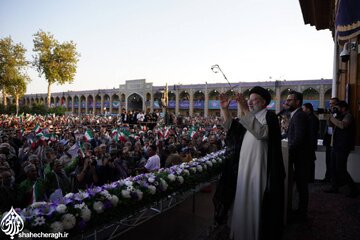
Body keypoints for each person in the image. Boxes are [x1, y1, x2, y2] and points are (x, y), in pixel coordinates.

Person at [214, 86, 285, 240]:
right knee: (242, 197)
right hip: (244, 166)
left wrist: (244, 108)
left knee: (254, 198)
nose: (251, 103)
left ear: (264, 102)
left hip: (258, 167)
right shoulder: (248, 116)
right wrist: (225, 109)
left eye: (255, 100)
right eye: (249, 100)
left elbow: (261, 133)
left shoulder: (269, 116)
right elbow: (231, 129)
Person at [284, 90, 311, 221]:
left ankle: (302, 214)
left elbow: (299, 138)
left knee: (302, 186)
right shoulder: (295, 114)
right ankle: (301, 211)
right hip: (299, 156)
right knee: (300, 185)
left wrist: (289, 150)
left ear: (297, 102)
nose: (286, 102)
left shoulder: (299, 115)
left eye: (289, 100)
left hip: (301, 157)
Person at [324, 101, 357, 197]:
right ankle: (334, 187)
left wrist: (332, 117)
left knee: (341, 169)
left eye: (337, 107)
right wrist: (329, 118)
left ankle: (353, 188)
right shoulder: (338, 116)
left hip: (343, 146)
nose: (335, 109)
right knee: (333, 167)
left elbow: (342, 125)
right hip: (335, 145)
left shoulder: (348, 116)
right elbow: (331, 126)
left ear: (343, 108)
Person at [322, 97, 339, 183]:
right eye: (330, 104)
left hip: (334, 141)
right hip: (329, 140)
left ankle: (333, 180)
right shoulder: (332, 113)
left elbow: (336, 125)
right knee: (328, 161)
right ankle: (328, 177)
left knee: (333, 163)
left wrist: (332, 115)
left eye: (333, 103)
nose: (331, 105)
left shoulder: (338, 114)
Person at [302, 102, 319, 182]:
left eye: (304, 108)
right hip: (309, 144)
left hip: (310, 144)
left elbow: (312, 132)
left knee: (309, 162)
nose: (303, 110)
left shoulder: (312, 118)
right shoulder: (309, 117)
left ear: (308, 109)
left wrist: (310, 145)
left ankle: (310, 178)